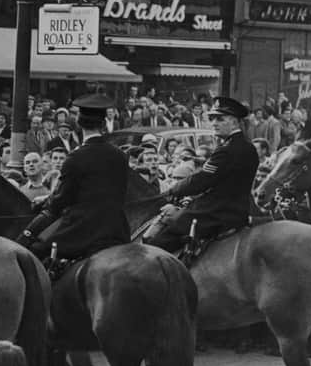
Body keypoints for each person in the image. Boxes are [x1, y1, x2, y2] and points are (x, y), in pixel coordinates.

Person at [17, 93, 130, 261]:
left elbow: (61, 200)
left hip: (83, 231)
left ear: (78, 123)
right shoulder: (120, 155)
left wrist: (45, 202)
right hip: (117, 229)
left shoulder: (75, 157)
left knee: (35, 251)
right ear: (103, 124)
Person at [145, 97, 259, 252]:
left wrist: (173, 190)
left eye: (220, 119)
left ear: (234, 122)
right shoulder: (249, 147)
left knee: (158, 244)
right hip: (239, 211)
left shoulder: (227, 149)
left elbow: (202, 180)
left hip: (214, 213)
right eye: (212, 119)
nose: (214, 123)